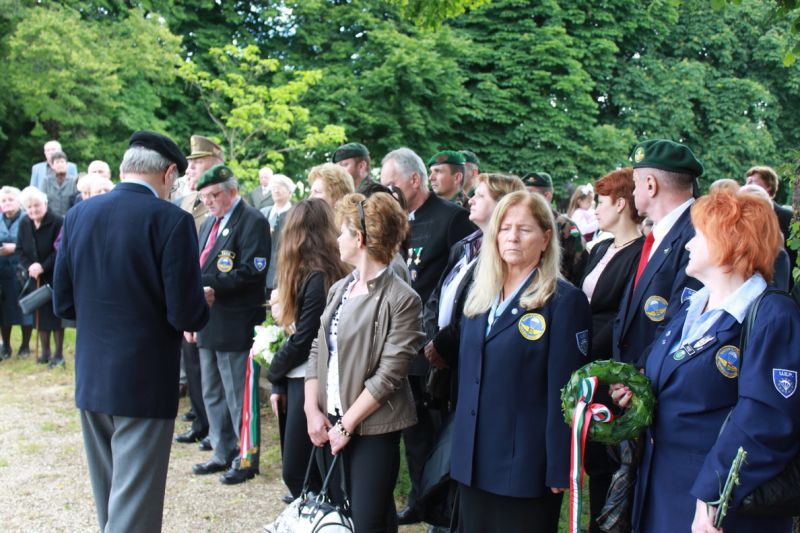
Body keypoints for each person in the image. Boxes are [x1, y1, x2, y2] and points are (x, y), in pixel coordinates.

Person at [611, 191, 800, 533]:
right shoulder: (693, 306)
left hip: (717, 508)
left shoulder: (773, 314)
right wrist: (637, 390)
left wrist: (714, 493)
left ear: (728, 241)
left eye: (698, 235)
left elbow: (766, 417)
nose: (687, 244)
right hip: (663, 491)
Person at [52, 131, 210, 533]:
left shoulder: (79, 215)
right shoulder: (172, 220)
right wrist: (202, 300)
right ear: (168, 173)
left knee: (111, 502)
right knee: (133, 510)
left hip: (92, 376)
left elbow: (63, 303)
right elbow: (186, 314)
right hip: (144, 381)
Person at [450, 190, 592, 533]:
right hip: (473, 460)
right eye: (504, 228)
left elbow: (566, 392)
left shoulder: (563, 302)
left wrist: (560, 465)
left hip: (524, 467)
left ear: (545, 238)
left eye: (524, 229)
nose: (512, 237)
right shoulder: (479, 294)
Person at [304, 192, 424, 532]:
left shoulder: (402, 298)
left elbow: (389, 375)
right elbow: (318, 348)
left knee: (368, 521)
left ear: (358, 238)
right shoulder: (341, 288)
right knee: (339, 517)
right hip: (329, 420)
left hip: (373, 428)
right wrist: (312, 410)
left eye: (342, 232)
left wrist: (346, 425)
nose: (336, 239)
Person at [380, 147, 476, 525]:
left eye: (392, 184)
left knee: (435, 431)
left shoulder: (452, 218)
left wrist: (440, 339)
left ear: (414, 180)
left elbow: (458, 282)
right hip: (402, 340)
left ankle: (440, 506)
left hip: (432, 343)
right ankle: (419, 501)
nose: (388, 191)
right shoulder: (398, 219)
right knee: (414, 431)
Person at [267, 198, 350, 498]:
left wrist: (274, 369)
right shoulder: (318, 272)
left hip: (311, 379)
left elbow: (305, 339)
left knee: (299, 471)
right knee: (307, 471)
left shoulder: (320, 277)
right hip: (303, 377)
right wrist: (279, 382)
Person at [192, 164, 270, 485]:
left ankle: (246, 458)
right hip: (209, 320)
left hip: (236, 320)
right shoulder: (208, 223)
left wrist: (211, 285)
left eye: (213, 195)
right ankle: (221, 451)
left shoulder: (251, 220)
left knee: (239, 396)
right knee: (212, 391)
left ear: (232, 191)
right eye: (204, 197)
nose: (208, 202)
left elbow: (254, 270)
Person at [422, 173, 525, 410]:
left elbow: (483, 307)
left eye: (480, 195)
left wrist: (443, 345)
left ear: (502, 204)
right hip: (441, 361)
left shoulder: (506, 255)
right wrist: (431, 340)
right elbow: (437, 296)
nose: (471, 200)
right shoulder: (464, 246)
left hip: (467, 359)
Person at [577, 168, 644, 531]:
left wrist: (584, 354)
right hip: (583, 361)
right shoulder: (601, 247)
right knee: (590, 456)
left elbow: (620, 315)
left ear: (620, 204)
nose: (595, 209)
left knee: (605, 459)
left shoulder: (640, 253)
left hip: (604, 367)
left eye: (601, 202)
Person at [613, 139, 705, 367]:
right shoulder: (663, 232)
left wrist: (639, 373)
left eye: (635, 183)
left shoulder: (698, 233)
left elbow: (682, 318)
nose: (633, 191)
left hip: (655, 375)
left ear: (650, 185)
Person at [174, 134, 224, 450]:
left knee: (209, 367)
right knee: (191, 359)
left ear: (215, 162)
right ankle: (201, 419)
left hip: (212, 291)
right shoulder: (188, 199)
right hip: (188, 284)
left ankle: (212, 425)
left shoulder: (221, 198)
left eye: (198, 162)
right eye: (190, 163)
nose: (191, 168)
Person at [17, 186, 64, 367]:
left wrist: (42, 266)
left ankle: (58, 355)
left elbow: (59, 249)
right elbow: (20, 250)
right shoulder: (24, 223)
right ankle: (45, 353)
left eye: (36, 205)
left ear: (45, 203)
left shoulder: (57, 221)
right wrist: (30, 266)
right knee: (41, 315)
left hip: (54, 274)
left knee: (55, 315)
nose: (33, 210)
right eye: (29, 207)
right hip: (33, 276)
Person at [521, 171, 588, 285]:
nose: (525, 199)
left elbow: (580, 263)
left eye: (531, 194)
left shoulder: (567, 226)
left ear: (547, 196)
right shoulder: (518, 223)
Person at [0, 186, 32, 360]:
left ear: (19, 202)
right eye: (3, 200)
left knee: (24, 309)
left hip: (22, 271)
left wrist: (14, 248)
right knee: (4, 311)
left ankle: (25, 346)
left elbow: (34, 244)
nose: (7, 203)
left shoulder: (27, 219)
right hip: (2, 272)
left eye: (10, 199)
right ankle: (5, 345)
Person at [745, 165, 795, 267]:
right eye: (747, 181)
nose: (748, 185)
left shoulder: (787, 216)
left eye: (753, 181)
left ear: (768, 187)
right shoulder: (743, 215)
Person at [260, 174, 294, 293]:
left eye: (280, 187)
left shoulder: (295, 213)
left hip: (285, 270)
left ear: (289, 191)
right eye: (273, 187)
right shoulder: (263, 212)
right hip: (263, 270)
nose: (276, 190)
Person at [39, 151, 77, 217]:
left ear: (67, 164)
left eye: (62, 162)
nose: (60, 164)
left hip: (69, 217)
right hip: (51, 218)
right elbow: (42, 200)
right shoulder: (46, 181)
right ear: (52, 166)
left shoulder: (74, 181)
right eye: (57, 162)